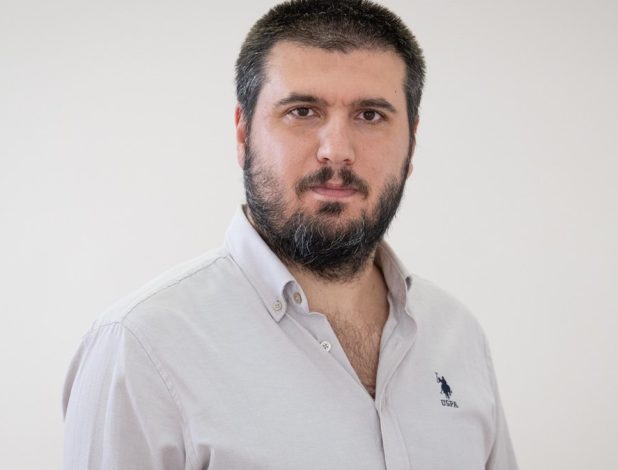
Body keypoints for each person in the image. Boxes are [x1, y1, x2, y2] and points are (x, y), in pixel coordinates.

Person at [62, 1, 518, 469]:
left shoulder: (457, 336)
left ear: (412, 143)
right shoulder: (141, 347)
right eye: (302, 111)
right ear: (243, 135)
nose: (336, 151)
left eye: (370, 115)